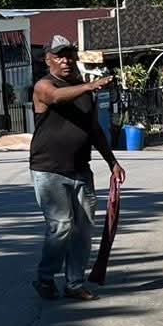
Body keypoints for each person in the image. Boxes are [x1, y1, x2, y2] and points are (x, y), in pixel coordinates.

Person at [29, 35, 124, 301]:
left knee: (83, 229)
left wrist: (112, 162)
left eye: (69, 55)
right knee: (61, 226)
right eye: (59, 56)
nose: (65, 61)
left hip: (80, 169)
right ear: (48, 60)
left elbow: (94, 130)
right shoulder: (44, 86)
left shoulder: (83, 92)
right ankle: (45, 278)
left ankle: (74, 283)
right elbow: (57, 97)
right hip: (49, 170)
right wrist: (90, 86)